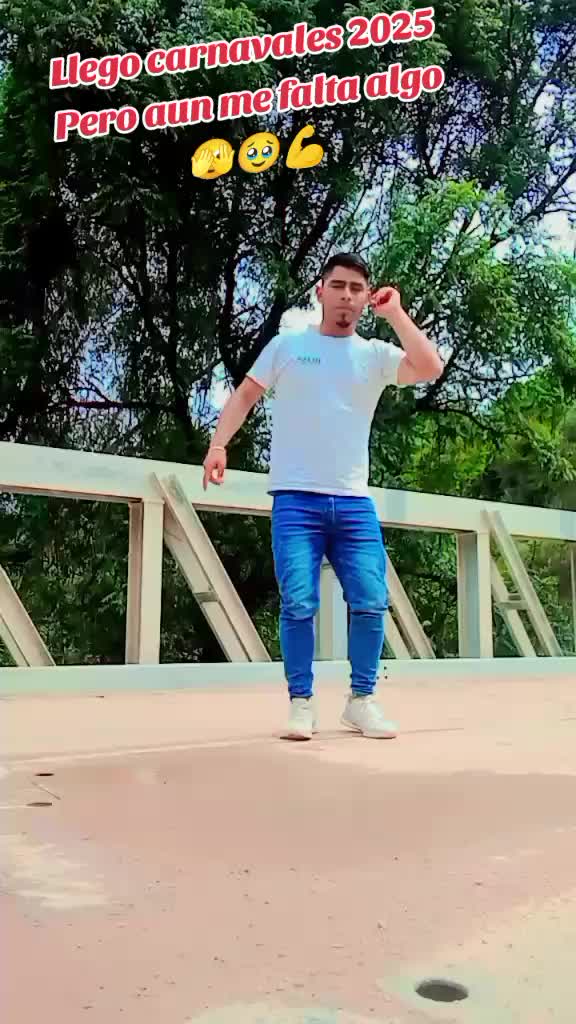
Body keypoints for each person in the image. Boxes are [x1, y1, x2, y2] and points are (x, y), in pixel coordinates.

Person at [203, 253, 443, 740]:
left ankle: (362, 700)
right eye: (338, 286)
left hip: (353, 501)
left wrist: (396, 313)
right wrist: (218, 445)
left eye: (356, 288)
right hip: (296, 499)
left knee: (371, 600)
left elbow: (429, 366)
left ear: (366, 297)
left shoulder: (374, 355)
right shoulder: (288, 346)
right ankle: (301, 703)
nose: (347, 296)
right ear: (320, 291)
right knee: (298, 602)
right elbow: (246, 394)